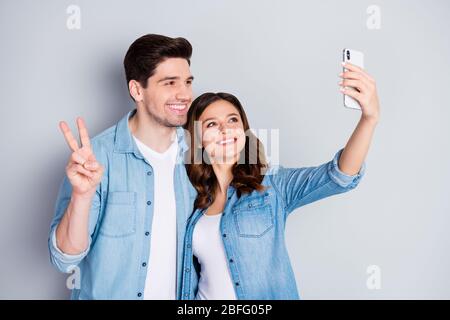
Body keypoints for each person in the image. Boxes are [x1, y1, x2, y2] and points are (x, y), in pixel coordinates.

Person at [181, 65, 380, 299]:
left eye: (232, 120)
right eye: (211, 124)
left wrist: (369, 119)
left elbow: (340, 176)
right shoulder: (189, 195)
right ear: (198, 140)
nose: (225, 129)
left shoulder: (273, 185)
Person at [48, 34, 197, 299]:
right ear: (137, 90)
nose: (184, 94)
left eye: (187, 82)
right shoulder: (96, 158)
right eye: (170, 83)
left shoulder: (199, 156)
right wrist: (82, 197)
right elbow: (64, 260)